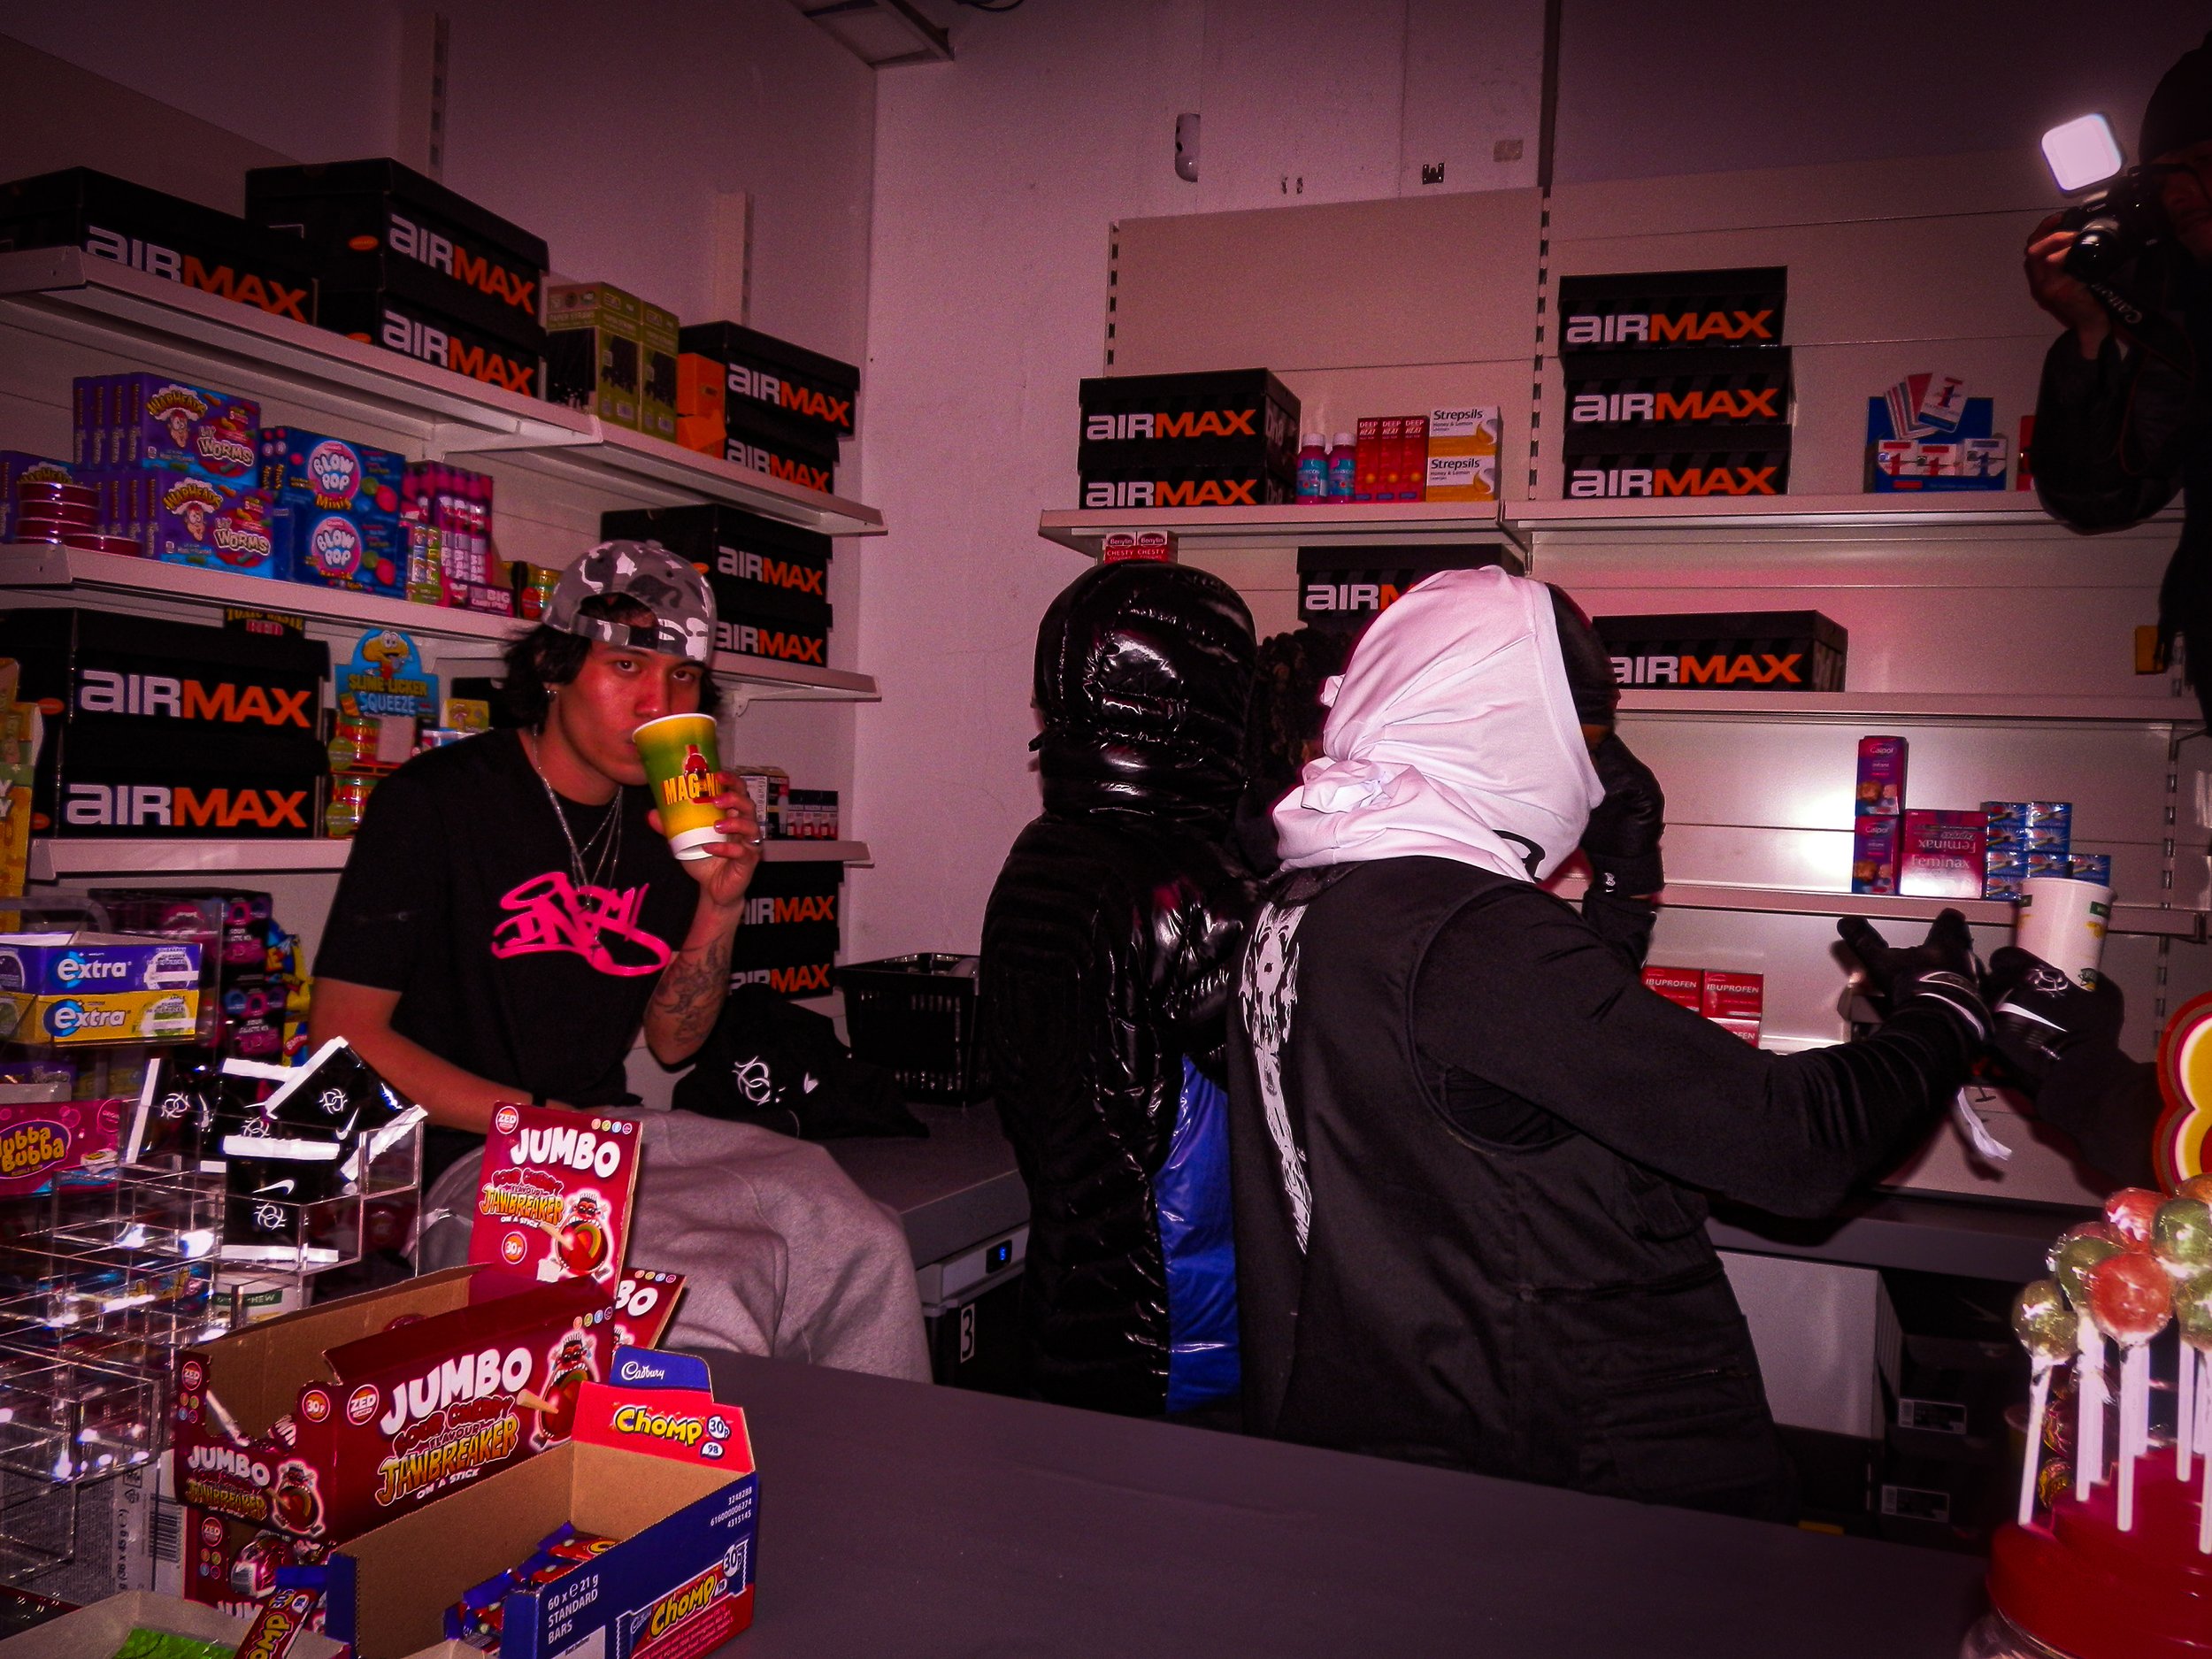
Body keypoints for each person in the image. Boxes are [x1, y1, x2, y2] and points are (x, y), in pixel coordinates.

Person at [1227, 566, 1989, 1519]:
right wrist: (1945, 1016)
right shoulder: (1466, 931)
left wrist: (1623, 888)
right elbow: (1796, 1146)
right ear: (1505, 723)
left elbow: (1503, 1080)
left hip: (1408, 1430)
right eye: (1579, 736)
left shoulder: (1312, 900)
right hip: (1565, 1474)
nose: (1588, 772)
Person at [313, 540, 926, 1379]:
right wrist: (534, 1118)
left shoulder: (663, 822)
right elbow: (345, 1035)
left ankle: (879, 1485)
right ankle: (710, 1498)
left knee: (861, 1235)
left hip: (611, 1134)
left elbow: (674, 1043)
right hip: (461, 1161)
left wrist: (720, 896)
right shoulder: (434, 803)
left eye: (681, 678)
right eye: (627, 663)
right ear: (555, 667)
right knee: (698, 1296)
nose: (655, 699)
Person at [979, 561, 1257, 1417]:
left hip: (1071, 1305)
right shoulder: (1188, 887)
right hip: (1185, 1335)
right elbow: (1303, 1099)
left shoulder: (1039, 852)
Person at [2025, 32, 2212, 721]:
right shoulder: (2185, 319)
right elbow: (2096, 497)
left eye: (2203, 164)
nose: (2183, 196)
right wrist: (2091, 330)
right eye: (2167, 178)